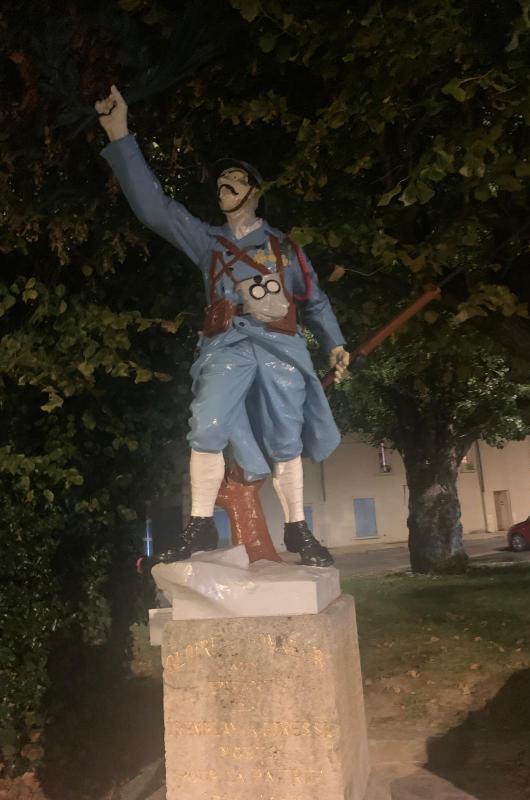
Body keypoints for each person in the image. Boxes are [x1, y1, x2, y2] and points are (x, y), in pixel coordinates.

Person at [96, 85, 350, 567]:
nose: (224, 187)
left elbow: (314, 300)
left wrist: (335, 343)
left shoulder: (285, 248)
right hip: (226, 344)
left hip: (281, 346)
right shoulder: (208, 241)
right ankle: (198, 526)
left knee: (287, 438)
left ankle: (297, 528)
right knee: (206, 426)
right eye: (220, 182)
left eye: (235, 180)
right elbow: (155, 210)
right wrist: (120, 134)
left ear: (255, 191)